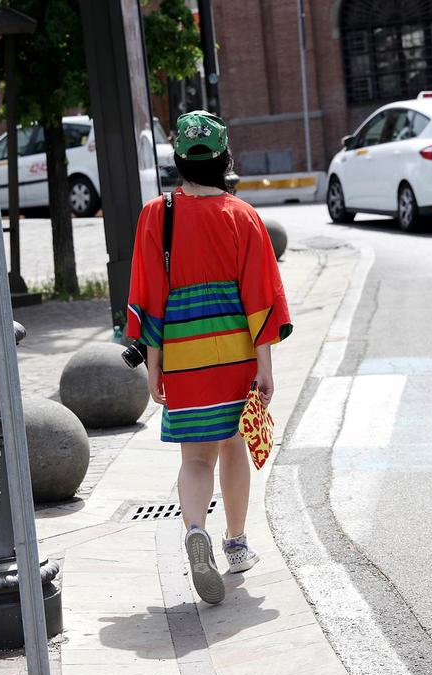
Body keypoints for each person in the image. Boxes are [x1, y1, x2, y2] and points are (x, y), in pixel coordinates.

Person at [127, 110, 292, 605]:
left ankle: (196, 529)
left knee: (194, 456)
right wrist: (265, 365)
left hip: (182, 353)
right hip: (234, 354)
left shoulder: (158, 214)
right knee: (233, 446)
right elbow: (259, 296)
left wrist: (154, 364)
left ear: (179, 159)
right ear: (224, 159)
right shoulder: (241, 216)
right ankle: (237, 543)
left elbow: (149, 294)